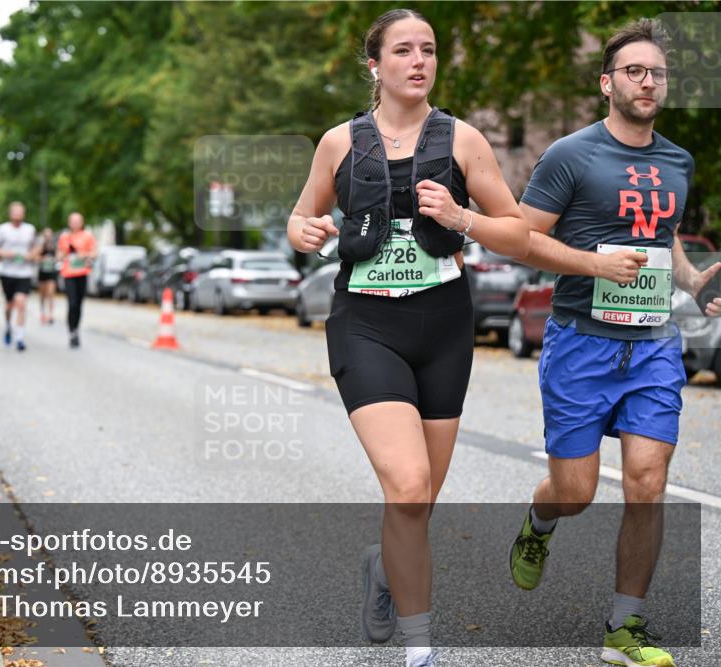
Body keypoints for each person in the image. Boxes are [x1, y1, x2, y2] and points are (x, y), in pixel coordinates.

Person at [286, 9, 529, 667]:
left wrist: (463, 217)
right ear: (376, 65)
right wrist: (301, 231)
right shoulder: (340, 142)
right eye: (403, 50)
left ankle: (385, 565)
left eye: (428, 49)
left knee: (416, 505)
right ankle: (420, 647)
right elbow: (303, 215)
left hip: (444, 323)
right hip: (365, 322)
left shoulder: (465, 141)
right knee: (410, 484)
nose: (419, 60)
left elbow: (517, 231)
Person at [509, 18, 721, 667]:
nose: (648, 80)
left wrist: (692, 280)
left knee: (647, 482)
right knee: (574, 491)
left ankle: (624, 626)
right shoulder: (571, 155)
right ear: (607, 83)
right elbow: (523, 236)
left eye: (656, 71)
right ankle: (539, 522)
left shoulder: (677, 160)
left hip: (653, 344)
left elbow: (666, 238)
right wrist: (592, 263)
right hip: (581, 344)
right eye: (634, 70)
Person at [0, 202, 37, 352]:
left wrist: (31, 255)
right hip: (8, 272)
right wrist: (5, 254)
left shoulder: (30, 229)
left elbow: (36, 247)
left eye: (20, 212)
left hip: (24, 273)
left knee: (21, 303)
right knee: (10, 305)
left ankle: (20, 338)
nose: (17, 214)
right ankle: (8, 326)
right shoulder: (2, 229)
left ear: (23, 214)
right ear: (10, 214)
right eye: (15, 212)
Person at [56, 212, 98, 348]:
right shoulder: (64, 237)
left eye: (77, 221)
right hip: (69, 274)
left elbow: (95, 253)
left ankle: (76, 329)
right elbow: (59, 255)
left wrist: (83, 255)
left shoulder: (88, 236)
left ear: (82, 222)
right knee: (72, 303)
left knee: (79, 304)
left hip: (82, 273)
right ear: (69, 223)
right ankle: (71, 332)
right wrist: (64, 254)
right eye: (72, 221)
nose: (75, 224)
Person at [36, 228, 60, 325]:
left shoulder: (55, 246)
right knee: (42, 295)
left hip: (52, 272)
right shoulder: (40, 246)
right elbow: (35, 257)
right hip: (42, 272)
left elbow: (59, 256)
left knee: (51, 294)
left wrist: (54, 259)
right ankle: (42, 313)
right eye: (46, 235)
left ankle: (51, 315)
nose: (48, 237)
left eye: (49, 235)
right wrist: (43, 259)